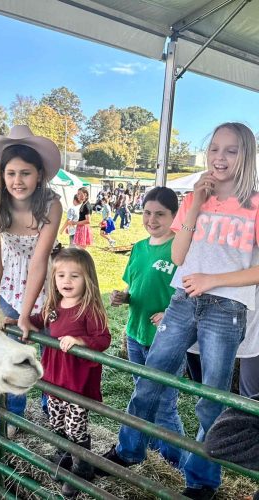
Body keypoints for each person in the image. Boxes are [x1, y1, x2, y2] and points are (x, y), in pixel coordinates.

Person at [100, 122, 259, 500]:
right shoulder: (193, 198)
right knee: (151, 376)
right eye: (214, 149)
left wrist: (213, 280)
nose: (219, 158)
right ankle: (129, 449)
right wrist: (197, 205)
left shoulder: (255, 203)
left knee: (212, 398)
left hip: (227, 309)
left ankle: (202, 480)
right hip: (182, 300)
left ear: (246, 155)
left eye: (231, 151)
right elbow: (177, 255)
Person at [0, 125, 62, 438]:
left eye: (25, 173)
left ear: (39, 174)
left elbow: (40, 261)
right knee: (11, 356)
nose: (18, 181)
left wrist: (27, 314)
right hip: (7, 288)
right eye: (11, 173)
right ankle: (12, 418)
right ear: (2, 175)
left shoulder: (51, 206)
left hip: (46, 288)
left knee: (51, 352)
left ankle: (51, 409)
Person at [107, 186, 186, 469]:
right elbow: (135, 287)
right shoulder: (139, 248)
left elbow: (191, 296)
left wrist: (170, 313)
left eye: (160, 215)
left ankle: (180, 464)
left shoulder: (180, 249)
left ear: (174, 216)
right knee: (142, 393)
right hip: (136, 331)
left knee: (164, 404)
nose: (152, 220)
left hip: (166, 339)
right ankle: (152, 449)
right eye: (148, 213)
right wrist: (123, 297)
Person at [28, 248, 111, 497]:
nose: (66, 281)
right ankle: (65, 455)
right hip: (54, 379)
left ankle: (82, 469)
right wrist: (20, 321)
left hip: (76, 382)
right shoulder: (54, 305)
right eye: (61, 275)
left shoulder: (89, 309)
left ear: (88, 279)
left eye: (75, 276)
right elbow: (39, 320)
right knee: (56, 420)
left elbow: (103, 339)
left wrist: (80, 341)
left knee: (76, 427)